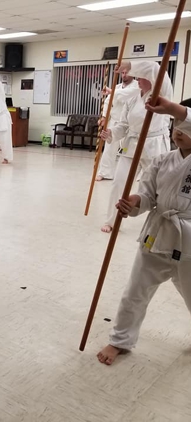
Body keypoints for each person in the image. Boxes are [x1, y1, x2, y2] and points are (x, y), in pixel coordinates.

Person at [97, 97, 191, 366]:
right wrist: (135, 202)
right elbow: (148, 196)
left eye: (185, 124)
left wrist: (174, 108)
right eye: (175, 124)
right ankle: (120, 340)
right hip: (158, 236)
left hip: (189, 243)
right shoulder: (162, 160)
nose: (178, 131)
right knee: (134, 292)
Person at [100, 61, 172, 233]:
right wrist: (110, 133)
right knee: (118, 182)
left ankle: (162, 223)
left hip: (154, 147)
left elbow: (154, 67)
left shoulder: (162, 93)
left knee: (158, 188)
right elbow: (124, 125)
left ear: (151, 79)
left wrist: (127, 64)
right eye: (137, 77)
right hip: (131, 145)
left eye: (141, 77)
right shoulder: (132, 98)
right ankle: (112, 220)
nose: (138, 80)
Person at [96, 71, 139, 181]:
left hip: (129, 125)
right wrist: (104, 117)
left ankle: (130, 175)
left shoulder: (137, 86)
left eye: (127, 73)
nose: (124, 75)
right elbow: (107, 102)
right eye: (122, 73)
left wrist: (111, 91)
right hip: (115, 123)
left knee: (128, 150)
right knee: (109, 149)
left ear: (133, 74)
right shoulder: (118, 87)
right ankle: (105, 173)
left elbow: (125, 95)